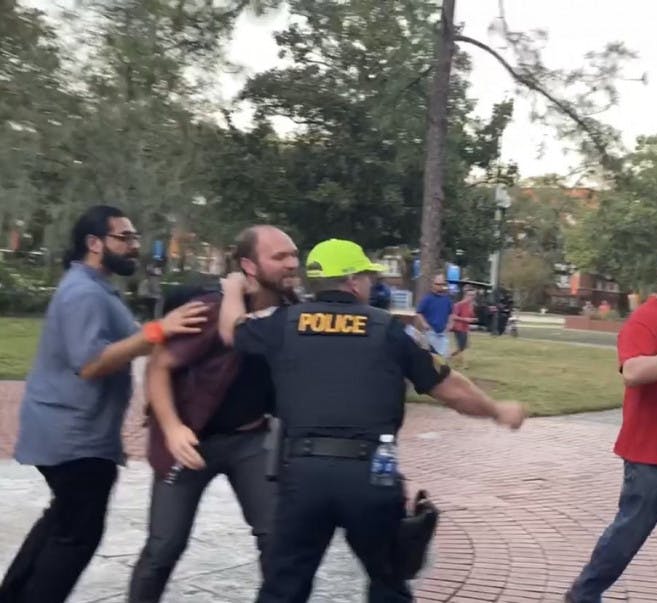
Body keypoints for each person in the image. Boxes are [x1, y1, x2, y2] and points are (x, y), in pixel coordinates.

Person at [217, 238, 526, 603]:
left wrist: (233, 289)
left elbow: (232, 330)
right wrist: (496, 410)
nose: (371, 283)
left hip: (302, 475)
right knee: (388, 581)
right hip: (371, 474)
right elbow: (450, 388)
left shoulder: (282, 324)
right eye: (367, 276)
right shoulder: (389, 329)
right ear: (352, 281)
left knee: (283, 587)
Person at [0, 205, 207, 603]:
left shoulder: (95, 287)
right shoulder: (83, 293)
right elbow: (91, 363)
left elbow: (129, 343)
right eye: (124, 237)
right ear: (94, 243)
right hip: (74, 438)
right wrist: (158, 330)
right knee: (77, 536)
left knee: (62, 522)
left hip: (73, 433)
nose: (134, 245)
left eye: (134, 237)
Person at [127, 226, 300, 602]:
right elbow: (158, 367)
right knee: (163, 547)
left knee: (277, 539)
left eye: (293, 255)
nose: (292, 263)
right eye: (279, 257)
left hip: (251, 439)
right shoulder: (210, 309)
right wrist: (172, 429)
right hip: (191, 441)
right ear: (249, 265)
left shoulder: (292, 313)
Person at [565, 241, 657, 603]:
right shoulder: (645, 319)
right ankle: (582, 595)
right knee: (628, 535)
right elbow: (632, 371)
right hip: (650, 454)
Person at [415, 273, 453, 356]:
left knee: (442, 359)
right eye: (438, 284)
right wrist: (424, 323)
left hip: (443, 333)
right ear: (433, 284)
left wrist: (450, 323)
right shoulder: (427, 299)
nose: (440, 286)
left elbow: (450, 313)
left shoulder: (447, 299)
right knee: (430, 357)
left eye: (442, 284)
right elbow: (419, 312)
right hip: (430, 332)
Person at [450, 286, 477, 368]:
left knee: (463, 346)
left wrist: (472, 319)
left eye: (473, 295)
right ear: (465, 295)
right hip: (458, 328)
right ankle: (464, 364)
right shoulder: (459, 305)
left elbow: (470, 316)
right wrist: (465, 319)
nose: (472, 297)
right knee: (462, 347)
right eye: (470, 295)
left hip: (465, 328)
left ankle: (451, 357)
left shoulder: (470, 305)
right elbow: (453, 316)